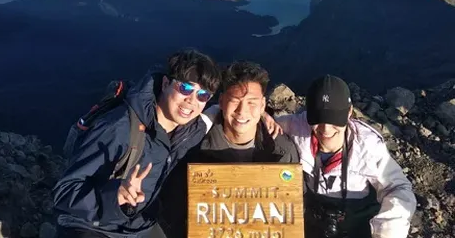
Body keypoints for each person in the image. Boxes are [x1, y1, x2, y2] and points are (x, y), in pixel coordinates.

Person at [53, 49, 222, 238]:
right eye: (186, 89)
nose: (191, 101)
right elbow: (64, 192)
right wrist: (114, 195)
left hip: (137, 226)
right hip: (92, 227)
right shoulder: (120, 128)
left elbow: (213, 115)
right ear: (166, 83)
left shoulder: (188, 130)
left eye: (203, 95)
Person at [158, 61, 300, 237]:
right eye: (235, 101)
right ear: (222, 101)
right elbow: (173, 211)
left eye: (251, 103)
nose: (242, 111)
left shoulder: (282, 151)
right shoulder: (193, 147)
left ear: (263, 105)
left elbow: (292, 214)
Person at [273, 75, 416, 238]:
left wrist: (389, 228)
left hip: (357, 225)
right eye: (318, 118)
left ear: (349, 112)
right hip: (315, 221)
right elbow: (260, 122)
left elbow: (398, 187)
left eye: (334, 120)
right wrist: (264, 117)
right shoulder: (296, 127)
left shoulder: (368, 146)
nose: (325, 130)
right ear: (308, 114)